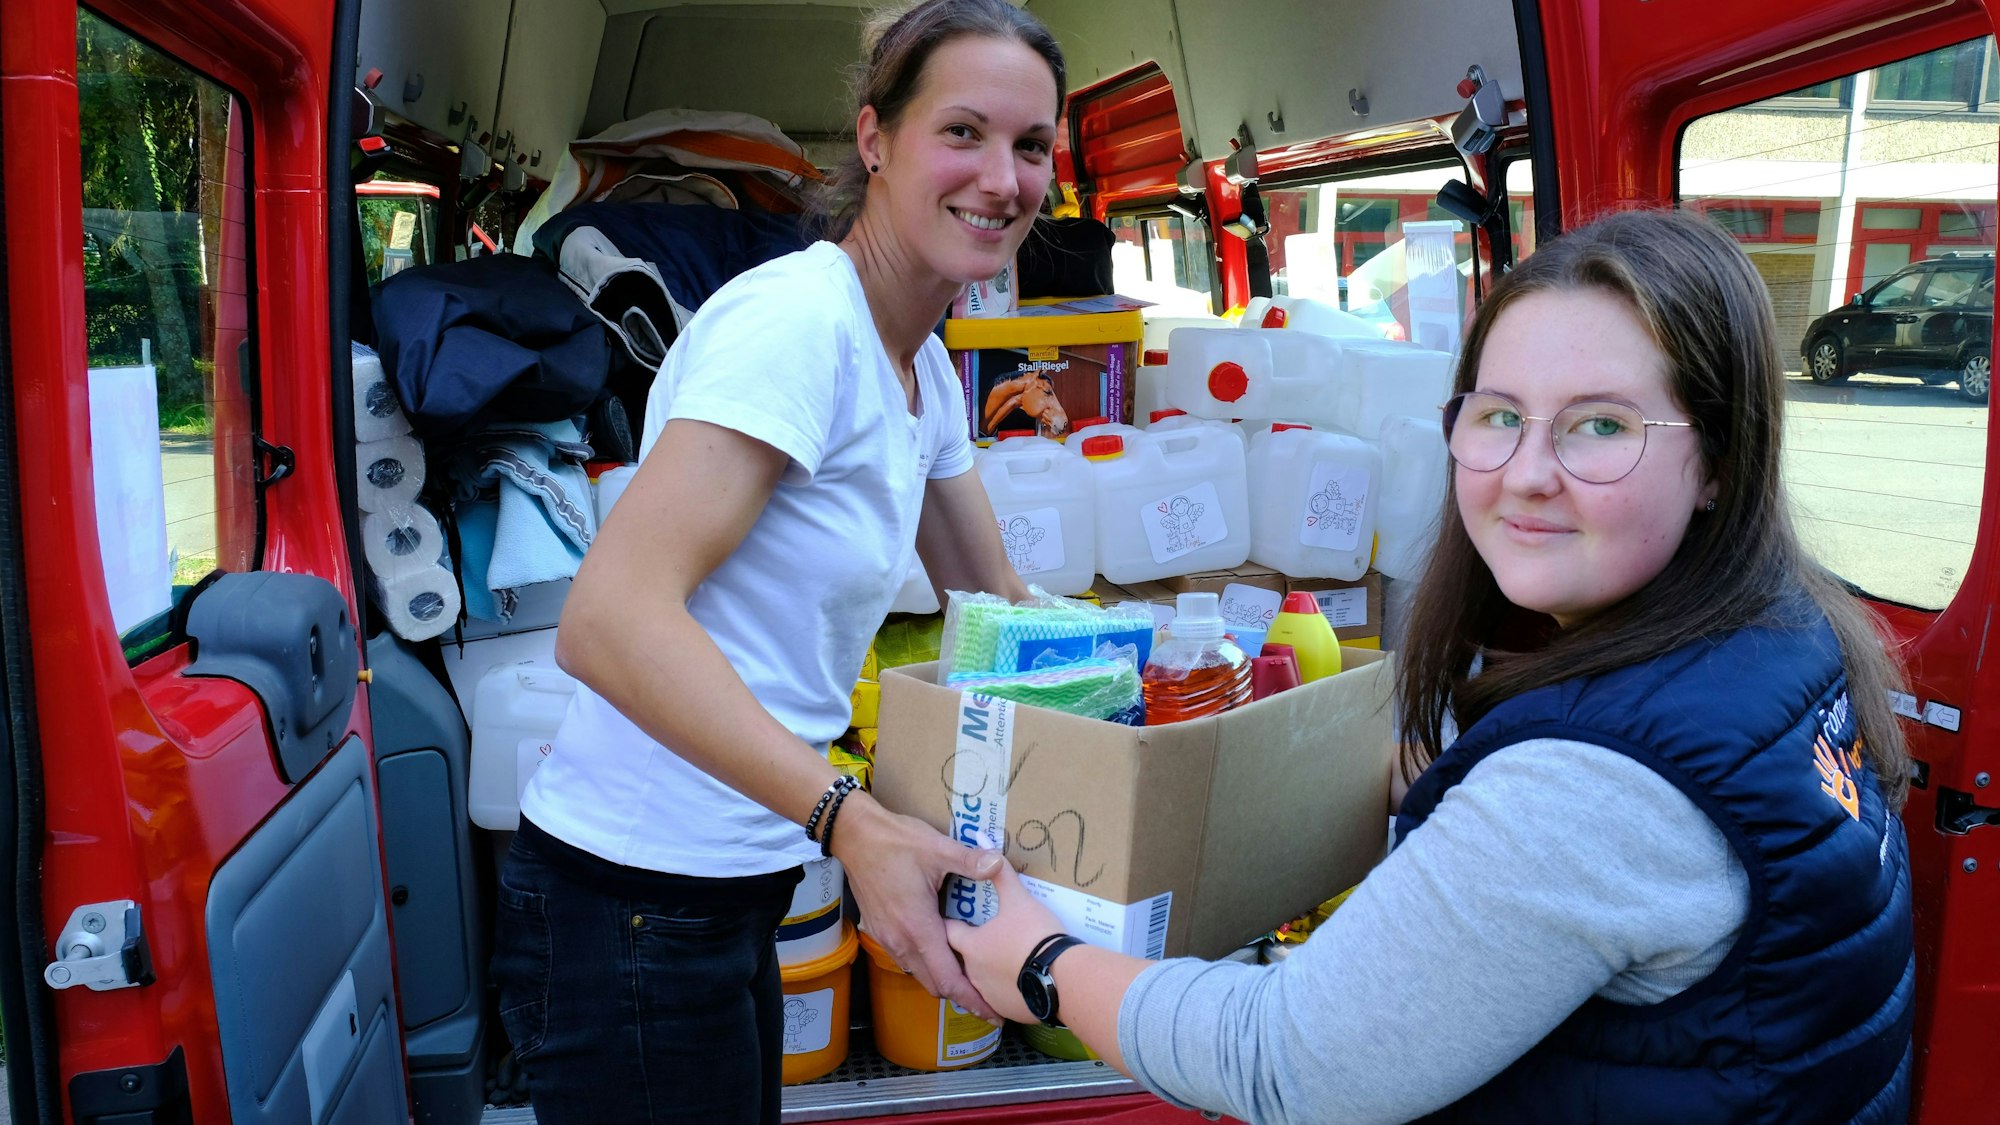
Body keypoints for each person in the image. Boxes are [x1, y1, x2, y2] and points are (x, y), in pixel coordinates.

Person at [948, 209, 1915, 1124]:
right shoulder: (1786, 633)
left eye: (1602, 425)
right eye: (1499, 415)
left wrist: (1040, 962)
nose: (1526, 472)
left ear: (1718, 461)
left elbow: (1285, 1059)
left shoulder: (1594, 787)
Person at [489, 3, 1066, 1121]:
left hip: (732, 883)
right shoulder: (800, 325)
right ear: (875, 140)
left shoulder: (921, 368)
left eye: (1031, 145)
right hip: (632, 898)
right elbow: (607, 621)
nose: (1003, 179)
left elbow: (994, 606)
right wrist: (850, 819)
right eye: (963, 132)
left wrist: (1162, 686)